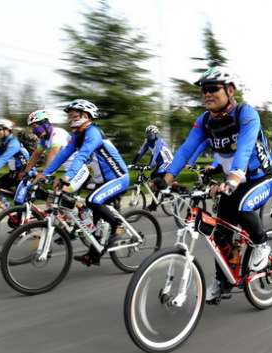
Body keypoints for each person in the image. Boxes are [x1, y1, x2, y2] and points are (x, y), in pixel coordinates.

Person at [150, 67, 272, 303]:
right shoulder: (205, 120)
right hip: (233, 182)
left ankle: (262, 245)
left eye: (212, 89)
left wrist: (233, 178)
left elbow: (245, 148)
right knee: (220, 233)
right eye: (203, 90)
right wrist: (165, 179)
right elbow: (186, 149)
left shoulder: (246, 113)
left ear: (229, 90)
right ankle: (224, 281)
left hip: (260, 178)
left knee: (241, 206)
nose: (206, 94)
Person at [38, 99, 129, 266]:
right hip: (103, 182)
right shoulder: (76, 137)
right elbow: (63, 155)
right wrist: (45, 174)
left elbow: (81, 156)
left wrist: (67, 177)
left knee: (92, 201)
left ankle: (118, 223)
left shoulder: (93, 133)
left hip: (118, 178)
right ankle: (94, 255)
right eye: (69, 118)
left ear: (86, 116)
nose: (70, 121)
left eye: (74, 117)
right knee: (94, 223)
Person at [25, 109, 89, 193]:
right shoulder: (45, 139)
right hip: (69, 170)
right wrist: (26, 173)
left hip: (80, 169)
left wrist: (45, 175)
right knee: (58, 196)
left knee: (61, 192)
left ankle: (83, 206)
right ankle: (79, 206)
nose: (34, 131)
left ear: (44, 124)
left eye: (34, 127)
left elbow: (54, 153)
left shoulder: (58, 133)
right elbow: (36, 154)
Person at [127, 125, 174, 211]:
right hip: (160, 163)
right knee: (153, 178)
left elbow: (154, 154)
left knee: (157, 174)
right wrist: (132, 164)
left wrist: (149, 166)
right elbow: (140, 153)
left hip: (168, 162)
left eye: (151, 133)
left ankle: (165, 193)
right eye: (147, 133)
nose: (149, 135)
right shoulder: (147, 141)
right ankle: (156, 199)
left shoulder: (158, 141)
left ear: (156, 134)